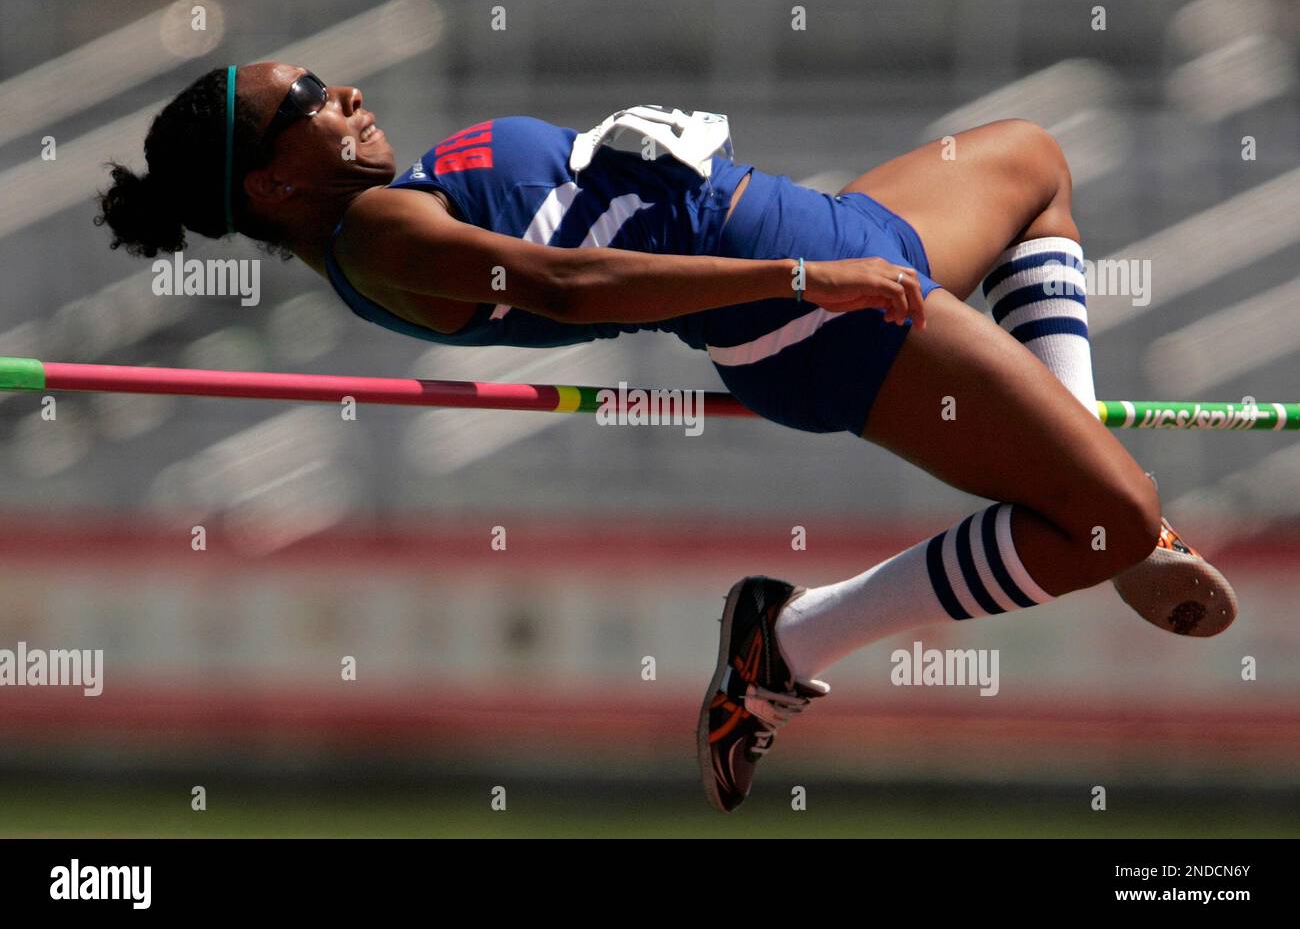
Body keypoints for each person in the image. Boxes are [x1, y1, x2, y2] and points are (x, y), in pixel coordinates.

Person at [96, 64, 1237, 813]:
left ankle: (1076, 441)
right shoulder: (377, 232)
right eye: (312, 102)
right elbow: (573, 283)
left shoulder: (387, 204)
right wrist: (803, 277)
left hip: (840, 245)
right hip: (811, 317)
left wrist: (818, 252)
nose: (344, 91)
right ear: (276, 179)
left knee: (1031, 155)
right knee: (1109, 519)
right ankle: (787, 641)